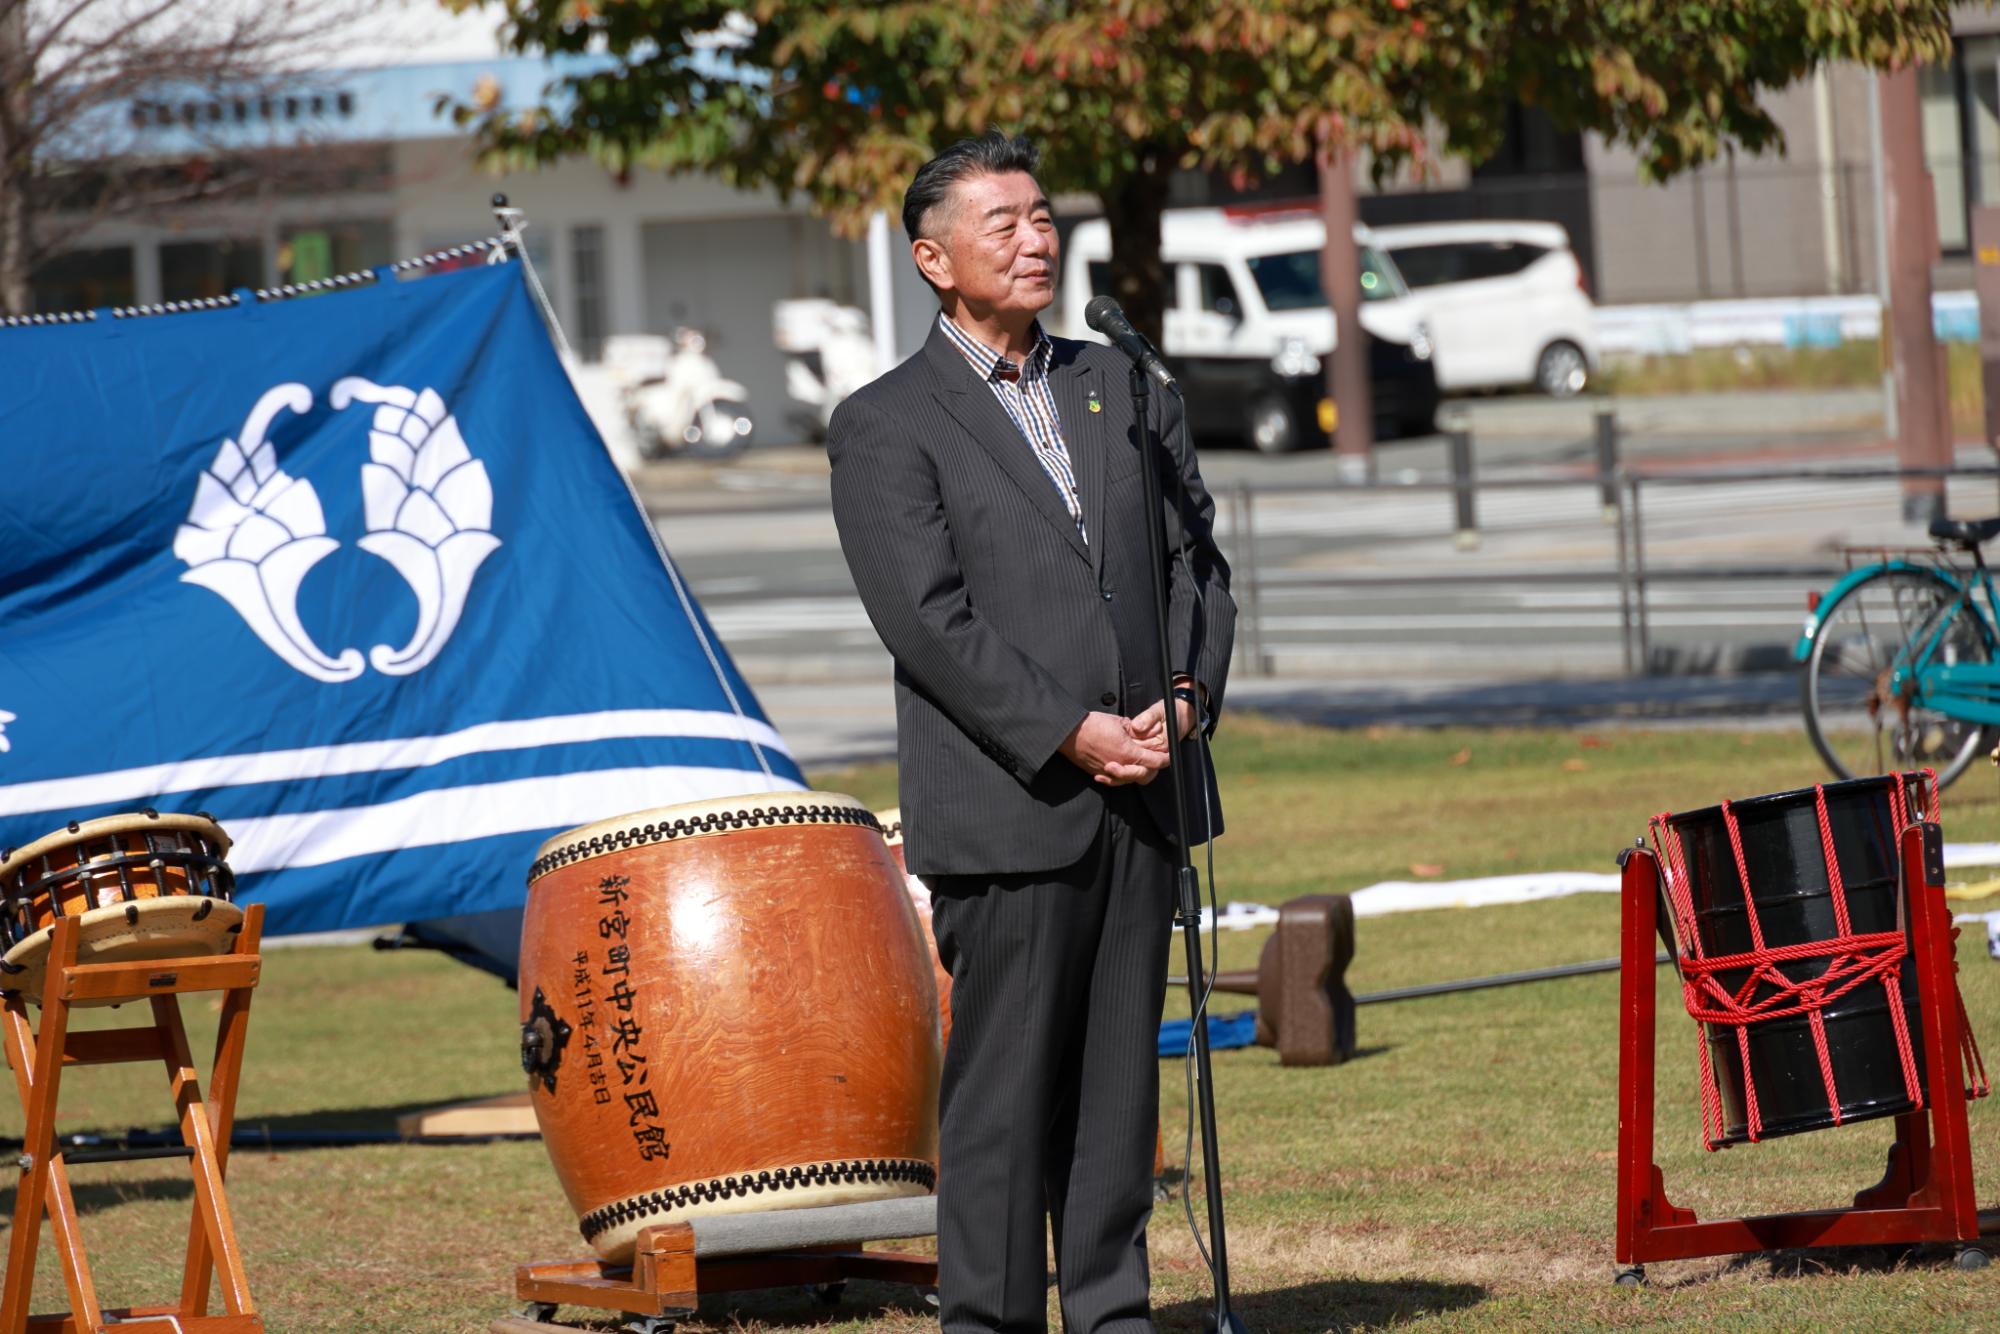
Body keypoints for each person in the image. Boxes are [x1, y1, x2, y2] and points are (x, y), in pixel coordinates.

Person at [827, 131, 1235, 1333]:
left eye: (1042, 215)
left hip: (1141, 793)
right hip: (1012, 804)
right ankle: (991, 1321)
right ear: (932, 258)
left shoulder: (1121, 386)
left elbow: (1190, 562)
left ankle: (1110, 1312)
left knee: (1117, 1090)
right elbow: (927, 618)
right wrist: (1068, 730)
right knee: (1004, 1098)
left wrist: (1182, 692)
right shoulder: (886, 421)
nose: (1035, 237)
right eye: (1001, 221)